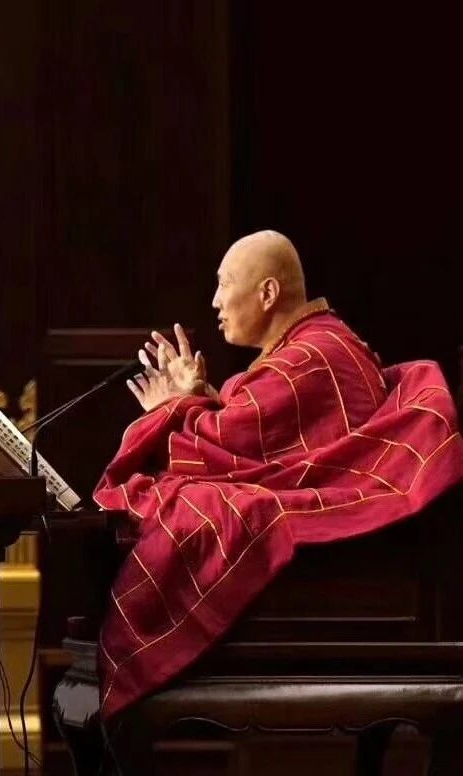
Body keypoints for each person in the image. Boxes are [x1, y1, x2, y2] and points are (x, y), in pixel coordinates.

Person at [93, 230, 463, 718]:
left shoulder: (313, 356)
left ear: (267, 293)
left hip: (353, 559)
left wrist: (173, 408)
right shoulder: (301, 350)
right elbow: (244, 434)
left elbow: (224, 445)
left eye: (225, 283)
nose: (215, 301)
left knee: (193, 508)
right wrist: (192, 398)